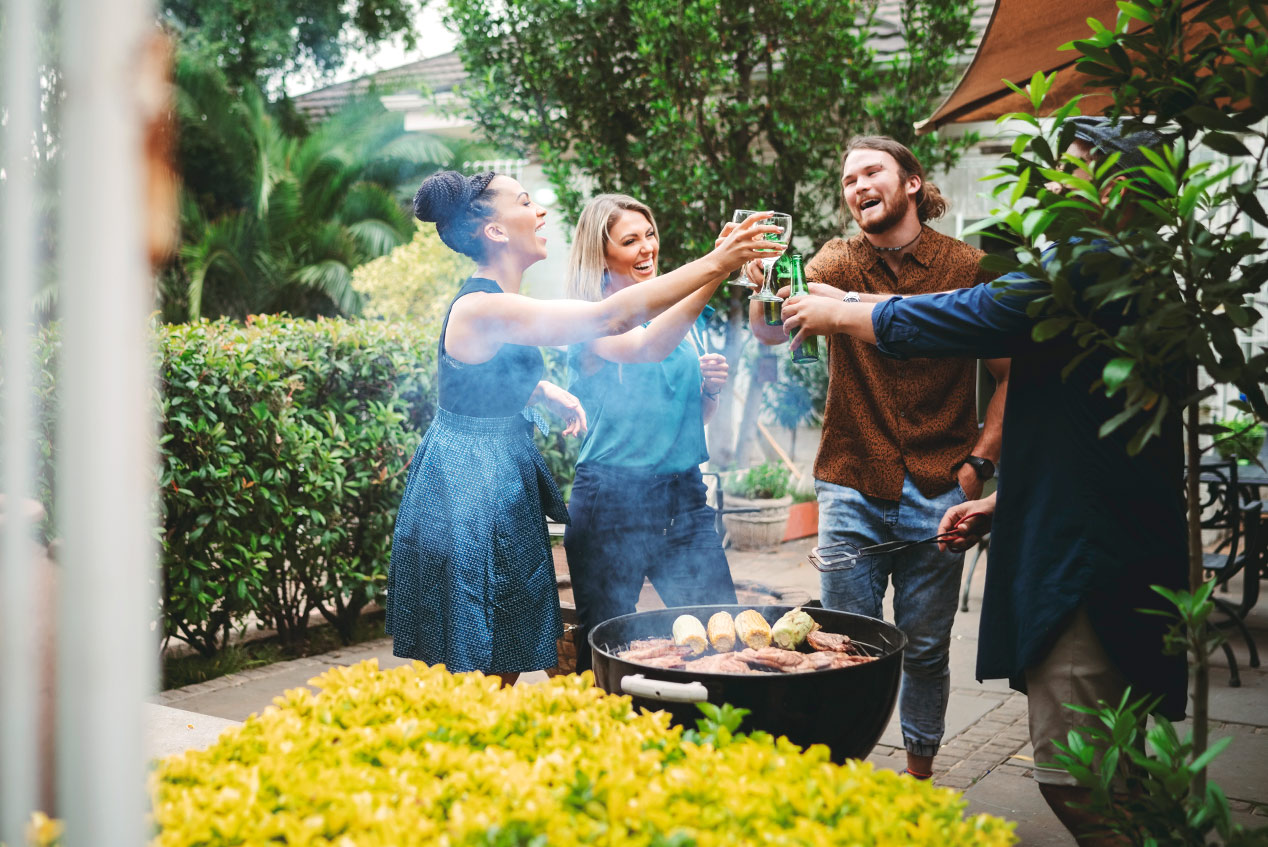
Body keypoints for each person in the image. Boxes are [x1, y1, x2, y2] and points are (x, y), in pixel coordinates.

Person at [780, 117, 1186, 845]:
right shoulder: (1135, 269)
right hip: (1077, 522)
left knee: (1074, 774)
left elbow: (975, 321)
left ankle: (922, 781)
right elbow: (1083, 426)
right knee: (1120, 762)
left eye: (1075, 167)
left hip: (1083, 554)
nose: (1056, 181)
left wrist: (974, 461)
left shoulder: (1084, 264)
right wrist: (1007, 497)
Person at [386, 170, 780, 686]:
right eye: (526, 202)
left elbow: (483, 369)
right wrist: (719, 261)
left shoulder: (499, 303)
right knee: (474, 654)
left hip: (502, 481)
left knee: (504, 650)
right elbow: (612, 320)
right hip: (469, 489)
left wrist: (541, 391)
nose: (542, 212)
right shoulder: (482, 305)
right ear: (496, 232)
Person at [748, 136, 1010, 780]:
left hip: (940, 485)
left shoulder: (967, 268)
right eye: (848, 179)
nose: (858, 185)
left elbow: (1011, 376)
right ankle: (845, 777)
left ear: (912, 182)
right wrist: (764, 287)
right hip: (850, 482)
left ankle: (918, 781)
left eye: (873, 172)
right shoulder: (836, 260)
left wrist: (978, 463)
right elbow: (771, 326)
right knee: (843, 644)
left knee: (924, 649)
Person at [562, 194, 739, 674]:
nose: (647, 248)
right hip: (611, 503)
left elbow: (694, 419)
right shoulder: (589, 316)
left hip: (684, 499)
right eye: (630, 240)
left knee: (723, 636)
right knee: (610, 648)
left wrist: (709, 390)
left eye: (650, 234)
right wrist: (717, 268)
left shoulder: (678, 309)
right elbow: (645, 347)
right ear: (602, 254)